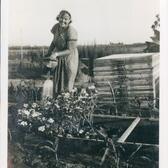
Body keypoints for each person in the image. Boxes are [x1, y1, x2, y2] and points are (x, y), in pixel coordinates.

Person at [45, 10, 79, 97]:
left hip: (69, 58)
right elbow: (54, 42)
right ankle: (57, 104)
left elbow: (70, 50)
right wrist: (48, 52)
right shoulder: (56, 27)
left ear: (69, 20)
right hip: (59, 57)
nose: (63, 21)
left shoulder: (71, 31)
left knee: (67, 81)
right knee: (57, 81)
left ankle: (68, 104)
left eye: (66, 19)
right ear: (58, 18)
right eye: (61, 18)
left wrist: (56, 54)